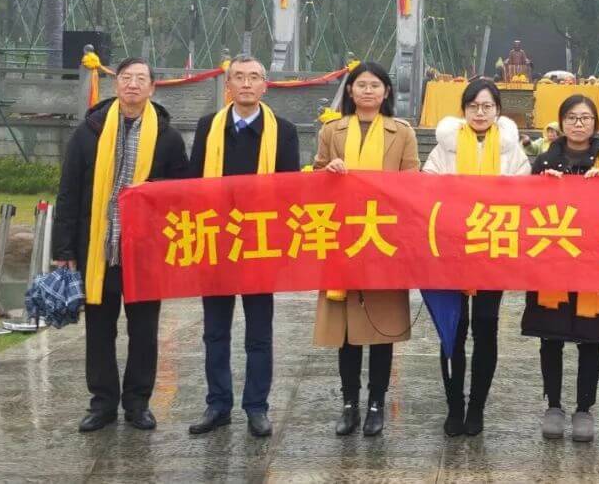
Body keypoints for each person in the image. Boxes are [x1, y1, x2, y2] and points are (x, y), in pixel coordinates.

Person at [52, 57, 188, 433]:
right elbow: (69, 193)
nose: (132, 85)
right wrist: (63, 251)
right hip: (97, 248)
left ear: (152, 88)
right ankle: (102, 402)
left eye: (140, 79)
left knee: (144, 331)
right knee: (99, 329)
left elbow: (180, 198)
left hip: (144, 253)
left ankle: (138, 402)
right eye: (126, 78)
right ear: (116, 86)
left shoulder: (167, 138)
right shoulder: (89, 132)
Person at [187, 55, 299, 438]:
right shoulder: (209, 127)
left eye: (254, 77)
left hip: (259, 246)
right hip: (215, 242)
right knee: (215, 332)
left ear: (266, 85)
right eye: (239, 77)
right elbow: (191, 185)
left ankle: (256, 407)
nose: (247, 84)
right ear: (228, 85)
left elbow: (290, 192)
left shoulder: (282, 131)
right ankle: (218, 404)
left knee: (259, 334)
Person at [312, 61, 419, 437]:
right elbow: (314, 176)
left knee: (381, 328)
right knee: (347, 332)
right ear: (351, 91)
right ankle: (349, 403)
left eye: (375, 85)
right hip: (343, 239)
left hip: (383, 239)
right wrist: (328, 171)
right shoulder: (332, 130)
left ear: (386, 91)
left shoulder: (401, 132)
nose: (368, 91)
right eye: (361, 85)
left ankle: (376, 402)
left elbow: (412, 184)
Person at [423, 78, 531, 436]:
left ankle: (477, 407)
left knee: (486, 327)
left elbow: (525, 195)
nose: (480, 113)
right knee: (452, 330)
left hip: (492, 252)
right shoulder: (445, 149)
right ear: (464, 110)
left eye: (487, 107)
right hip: (451, 253)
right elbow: (427, 191)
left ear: (498, 110)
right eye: (473, 107)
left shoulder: (512, 151)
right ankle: (454, 405)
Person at [522, 95, 599, 443]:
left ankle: (584, 409)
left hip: (594, 265)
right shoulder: (543, 161)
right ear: (561, 122)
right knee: (550, 338)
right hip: (551, 261)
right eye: (572, 118)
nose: (579, 124)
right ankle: (553, 404)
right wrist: (542, 186)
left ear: (596, 123)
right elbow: (523, 211)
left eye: (585, 118)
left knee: (588, 339)